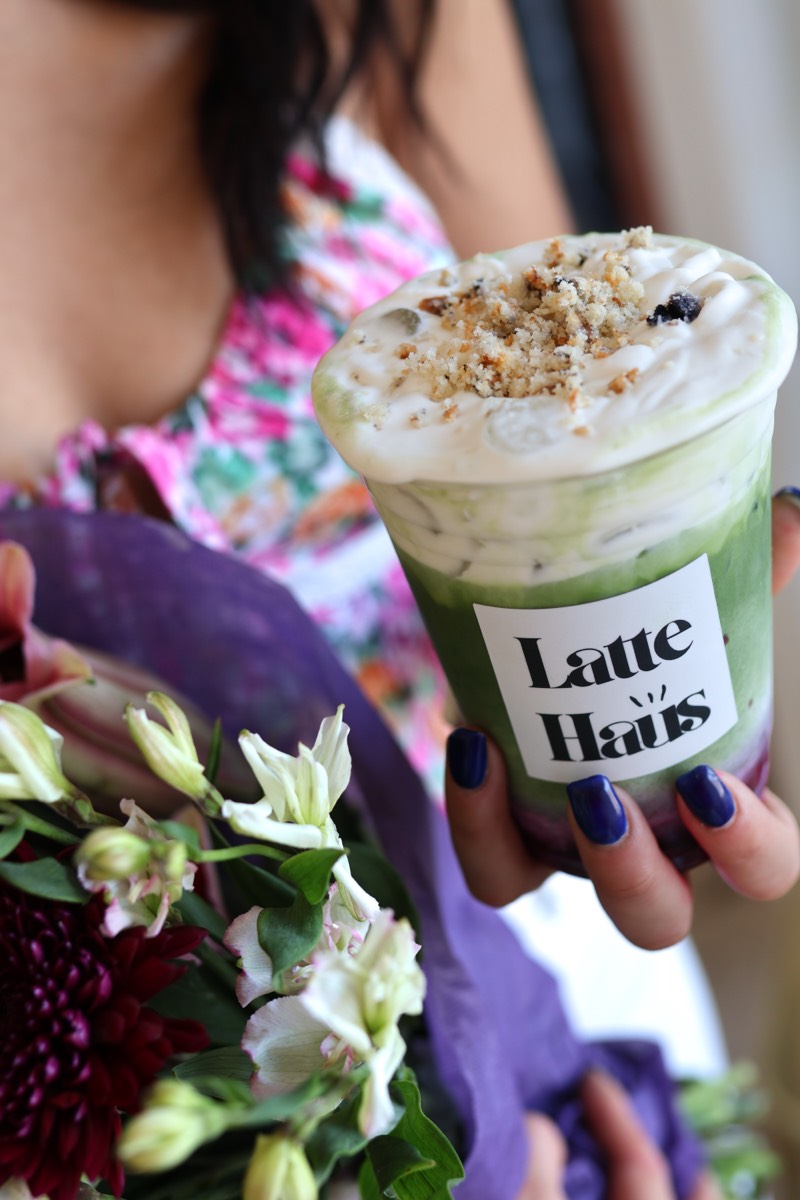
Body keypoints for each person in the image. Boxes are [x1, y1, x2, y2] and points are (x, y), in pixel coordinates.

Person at [1, 1, 798, 1195]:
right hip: (233, 1135)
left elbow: (602, 386)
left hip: (570, 933)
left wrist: (674, 723)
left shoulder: (382, 17)